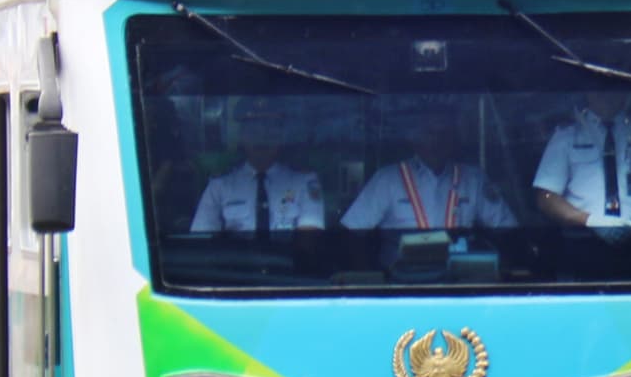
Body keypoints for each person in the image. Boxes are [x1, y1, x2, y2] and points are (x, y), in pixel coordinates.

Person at [344, 106, 516, 273]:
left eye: (444, 134)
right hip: (399, 282)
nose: (437, 141)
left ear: (454, 140)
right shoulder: (387, 179)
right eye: (429, 133)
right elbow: (352, 232)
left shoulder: (474, 179)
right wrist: (373, 278)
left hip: (458, 280)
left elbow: (506, 230)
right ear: (414, 139)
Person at [531, 88, 631, 236]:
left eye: (611, 89)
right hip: (584, 237)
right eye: (598, 89)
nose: (605, 95)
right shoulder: (565, 137)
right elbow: (546, 197)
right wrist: (591, 221)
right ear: (587, 93)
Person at [188, 111, 325, 238]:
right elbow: (202, 238)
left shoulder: (304, 181)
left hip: (288, 262)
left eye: (269, 131)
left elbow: (310, 239)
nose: (262, 139)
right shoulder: (219, 186)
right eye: (254, 131)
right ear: (242, 136)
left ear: (281, 137)